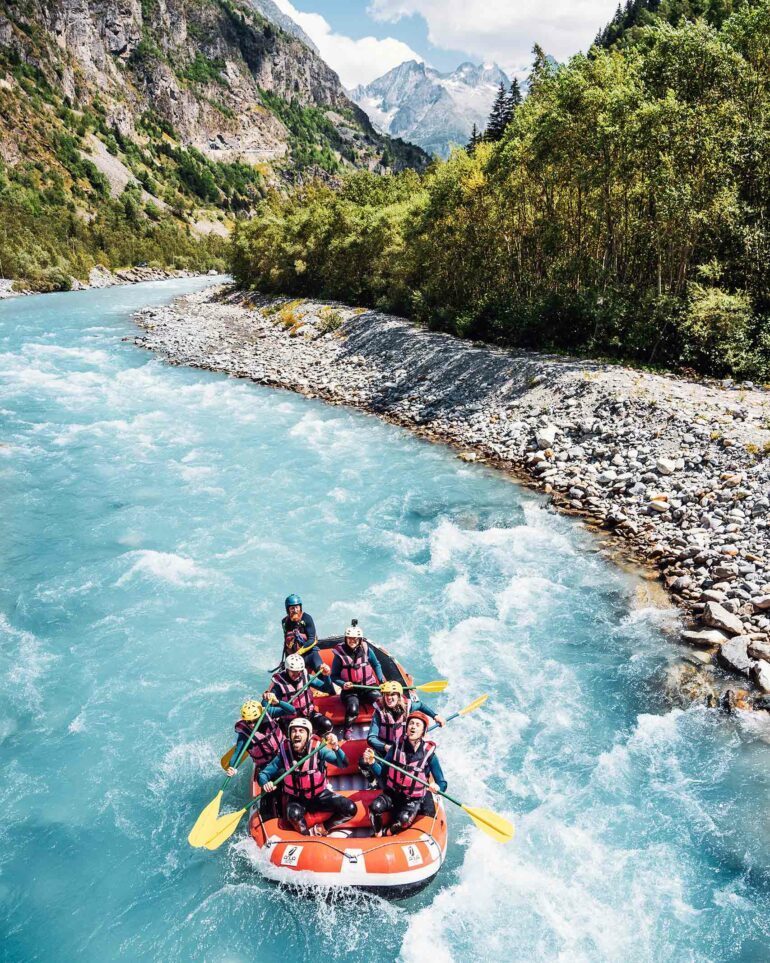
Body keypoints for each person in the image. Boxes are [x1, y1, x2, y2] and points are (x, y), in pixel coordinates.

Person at [259, 718, 357, 836]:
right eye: (294, 731)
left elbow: (343, 764)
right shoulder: (284, 753)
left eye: (301, 731)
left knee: (350, 808)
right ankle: (306, 837)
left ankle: (323, 828)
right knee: (294, 815)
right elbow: (263, 774)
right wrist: (265, 783)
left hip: (319, 795)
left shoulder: (318, 749)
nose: (297, 734)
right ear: (290, 734)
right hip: (296, 798)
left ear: (308, 735)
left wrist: (336, 747)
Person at [360, 711, 447, 837]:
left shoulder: (429, 755)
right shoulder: (396, 748)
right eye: (411, 723)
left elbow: (442, 783)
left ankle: (387, 832)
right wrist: (372, 763)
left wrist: (437, 788)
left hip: (412, 799)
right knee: (375, 807)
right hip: (392, 793)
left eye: (417, 725)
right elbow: (383, 773)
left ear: (423, 732)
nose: (413, 727)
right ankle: (378, 834)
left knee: (404, 820)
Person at [330, 622, 384, 739]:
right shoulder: (339, 654)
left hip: (368, 687)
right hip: (350, 690)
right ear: (346, 638)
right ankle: (348, 729)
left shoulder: (366, 649)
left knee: (381, 703)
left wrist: (381, 681)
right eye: (349, 638)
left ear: (359, 640)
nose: (352, 640)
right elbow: (333, 676)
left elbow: (376, 664)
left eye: (355, 639)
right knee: (353, 709)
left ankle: (383, 725)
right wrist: (343, 684)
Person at [225, 694, 294, 779]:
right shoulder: (244, 734)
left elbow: (292, 710)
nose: (252, 725)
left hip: (284, 752)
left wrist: (278, 702)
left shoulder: (267, 712)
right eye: (249, 722)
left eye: (255, 720)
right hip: (267, 764)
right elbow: (237, 753)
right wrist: (232, 767)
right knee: (282, 773)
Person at [368, 680, 446, 754]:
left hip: (403, 745)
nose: (389, 698)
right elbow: (371, 738)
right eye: (387, 694)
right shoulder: (379, 712)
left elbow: (420, 705)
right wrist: (385, 747)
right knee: (364, 763)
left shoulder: (408, 706)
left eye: (392, 694)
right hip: (385, 748)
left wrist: (435, 716)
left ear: (398, 696)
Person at [281, 594, 334, 695]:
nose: (295, 610)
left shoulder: (307, 618)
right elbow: (286, 642)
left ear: (300, 607)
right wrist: (287, 660)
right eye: (292, 608)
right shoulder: (284, 622)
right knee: (295, 680)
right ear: (288, 609)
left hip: (310, 654)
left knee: (321, 673)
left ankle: (332, 691)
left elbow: (312, 640)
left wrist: (299, 652)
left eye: (297, 607)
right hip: (297, 657)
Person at [269, 652, 333, 735]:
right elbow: (269, 707)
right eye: (293, 672)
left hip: (308, 714)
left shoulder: (306, 676)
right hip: (290, 719)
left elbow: (326, 689)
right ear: (287, 670)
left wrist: (326, 676)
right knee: (293, 736)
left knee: (327, 725)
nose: (296, 675)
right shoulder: (278, 684)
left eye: (298, 672)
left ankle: (314, 738)